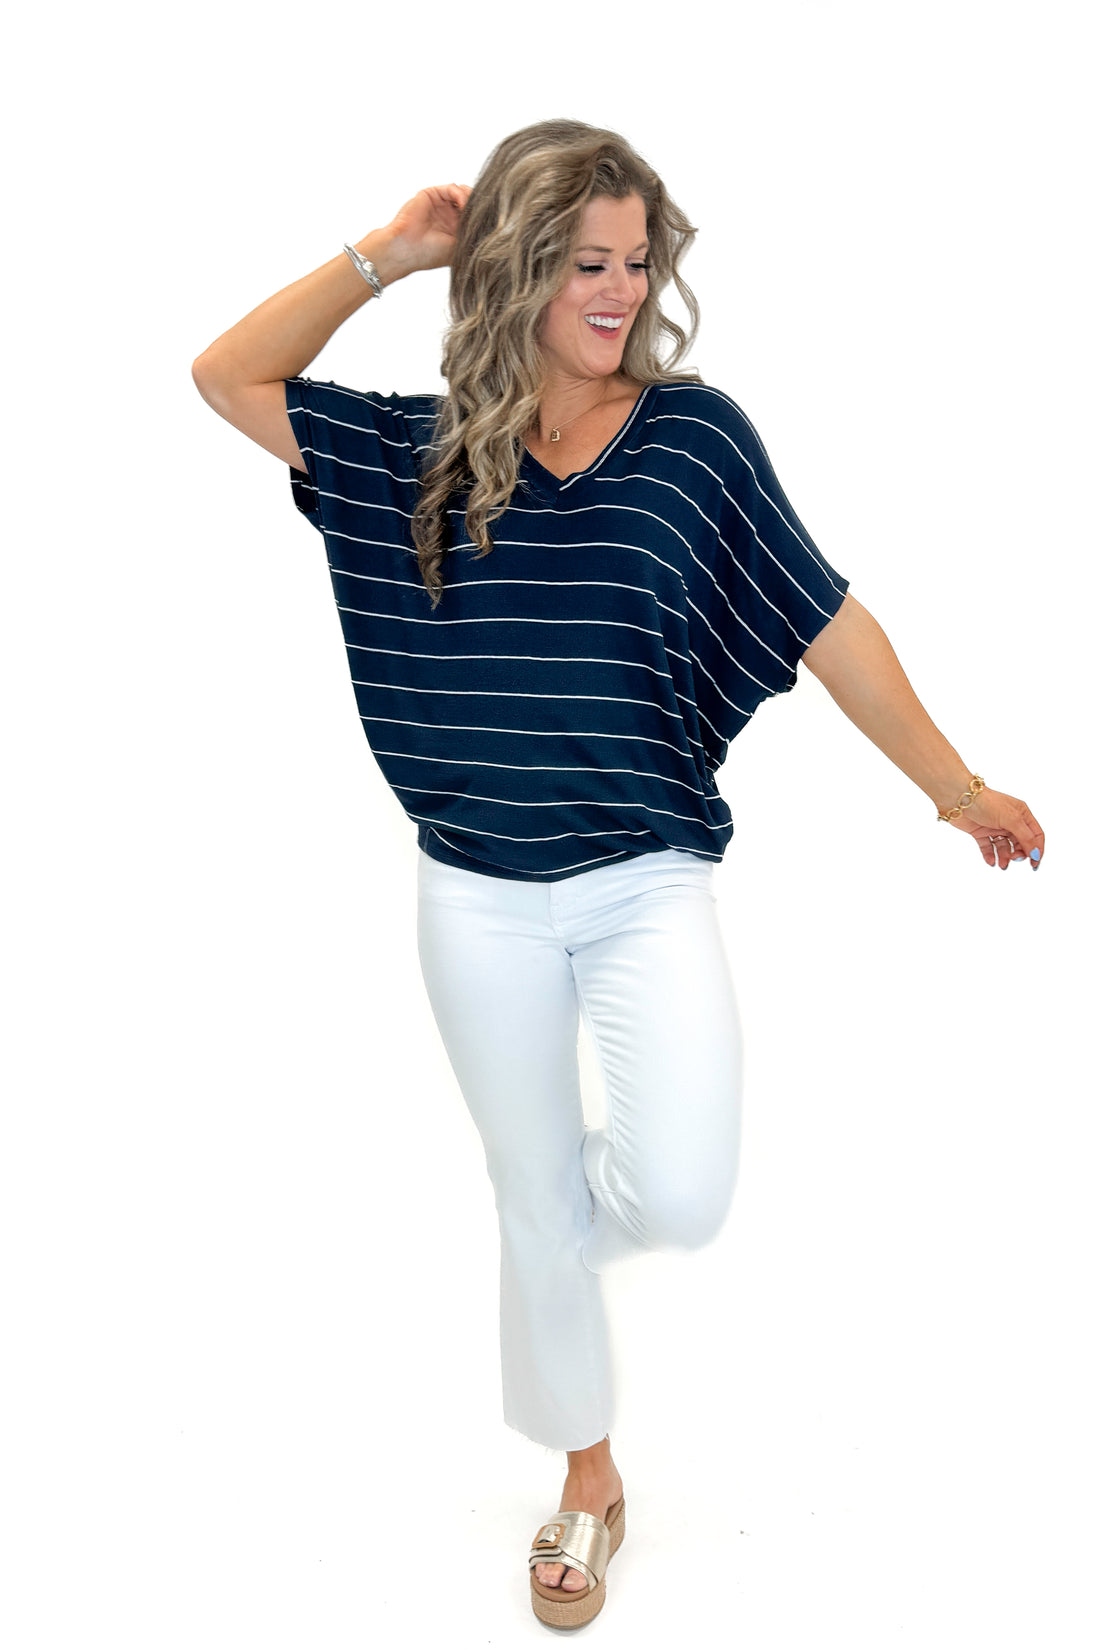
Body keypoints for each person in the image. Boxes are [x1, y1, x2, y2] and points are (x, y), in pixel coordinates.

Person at [191, 119, 1044, 1629]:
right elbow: (225, 376)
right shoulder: (409, 449)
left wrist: (955, 786)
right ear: (514, 264)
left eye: (637, 261)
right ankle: (589, 1480)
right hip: (474, 893)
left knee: (680, 1186)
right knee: (539, 1201)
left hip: (644, 874)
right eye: (585, 260)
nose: (617, 288)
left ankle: (538, 1232)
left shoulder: (694, 437)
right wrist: (393, 248)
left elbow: (825, 619)